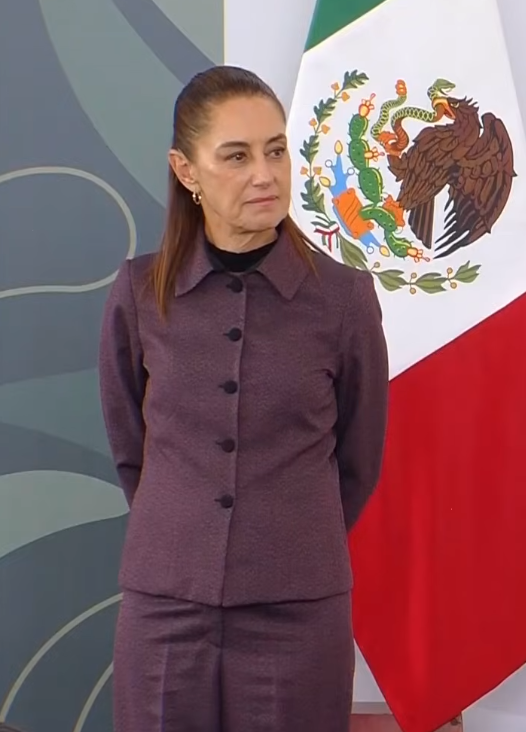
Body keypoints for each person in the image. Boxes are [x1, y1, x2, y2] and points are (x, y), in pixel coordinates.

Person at [97, 65, 389, 731]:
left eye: (276, 150)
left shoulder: (344, 299)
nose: (265, 175)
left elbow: (358, 459)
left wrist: (284, 536)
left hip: (299, 608)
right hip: (165, 605)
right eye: (236, 156)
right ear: (186, 171)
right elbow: (130, 447)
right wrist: (184, 533)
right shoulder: (139, 293)